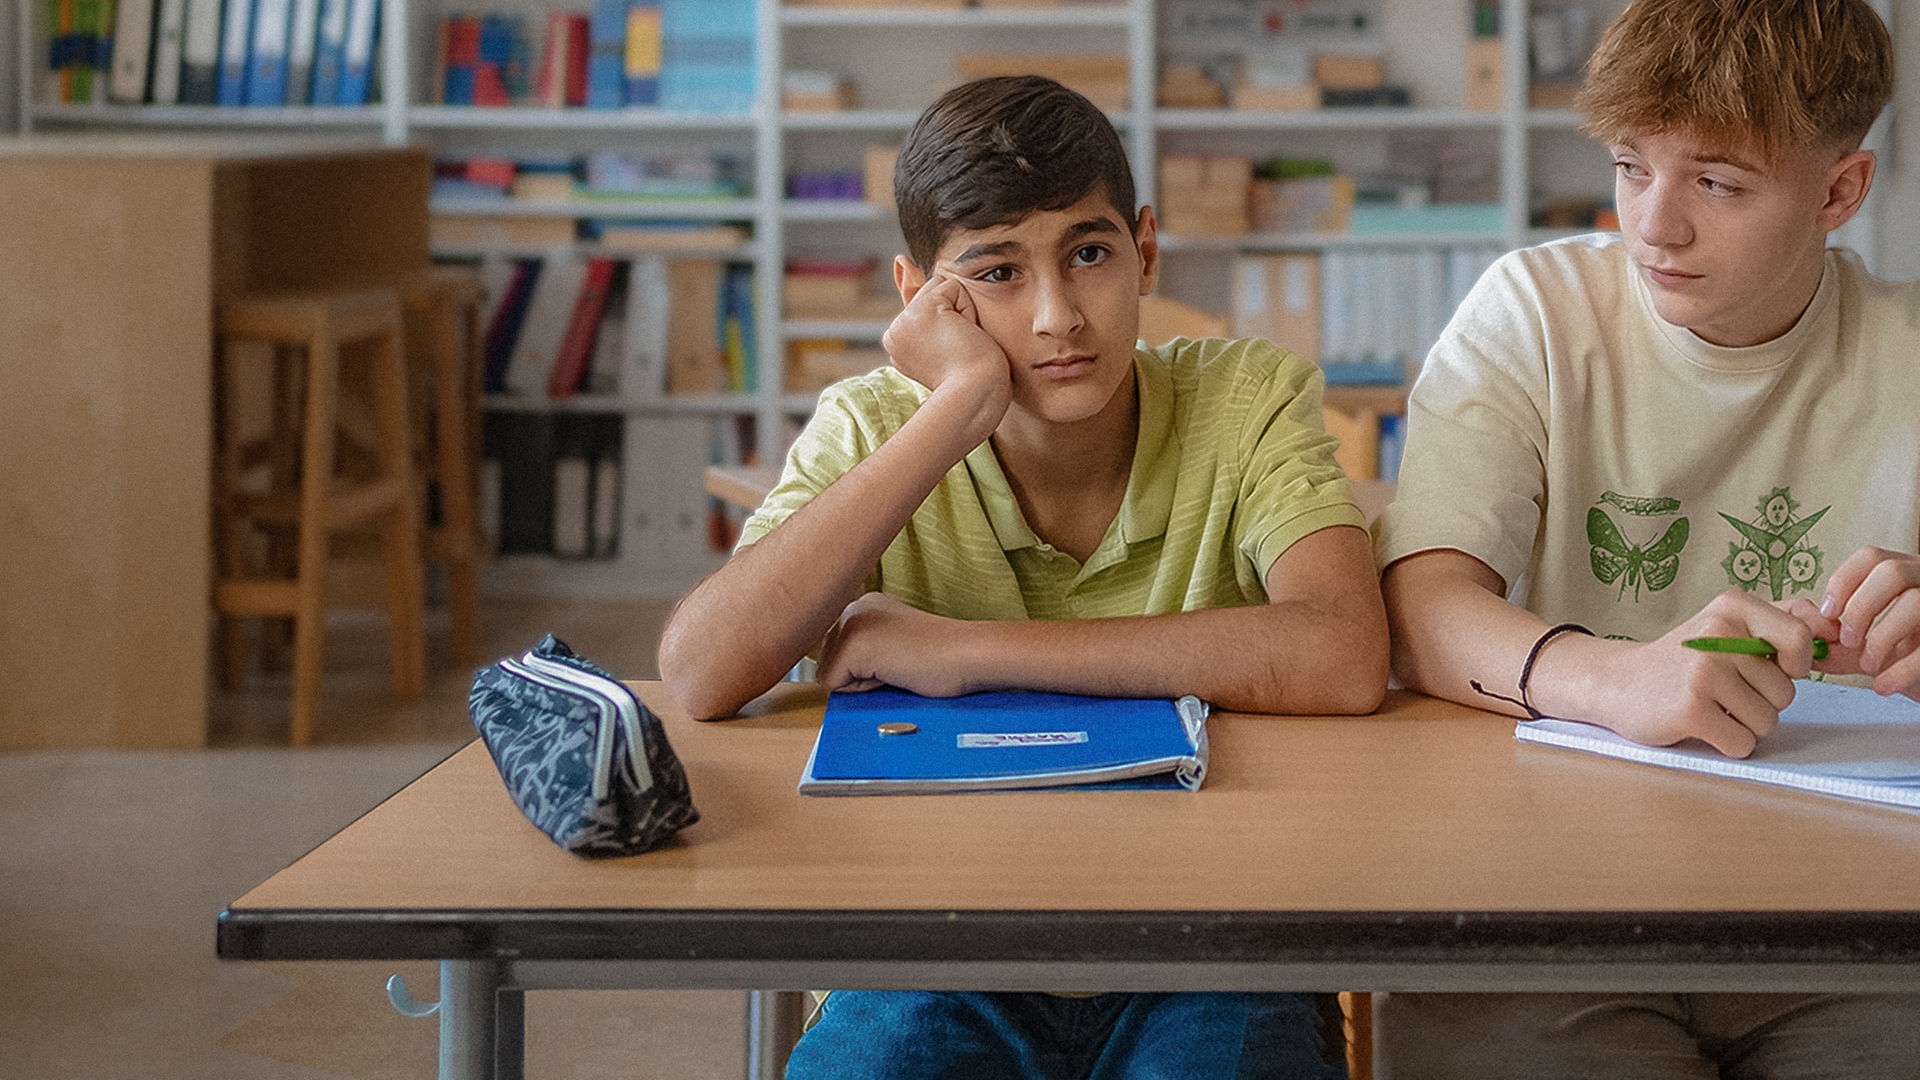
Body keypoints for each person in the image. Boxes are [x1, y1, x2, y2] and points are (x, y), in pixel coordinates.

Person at [658, 75, 1386, 1078]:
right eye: (996, 275)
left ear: (1146, 249)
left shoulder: (1247, 397)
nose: (1056, 317)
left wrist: (966, 653)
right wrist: (955, 406)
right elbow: (700, 670)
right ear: (922, 300)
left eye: (1088, 254)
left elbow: (1344, 652)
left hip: (1213, 937)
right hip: (925, 942)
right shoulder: (875, 422)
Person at [1371, 0, 1920, 1075]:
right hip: (1549, 898)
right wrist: (1611, 679)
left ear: (1840, 192)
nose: (1653, 226)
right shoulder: (1531, 312)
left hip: (1858, 913)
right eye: (1632, 167)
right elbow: (1417, 607)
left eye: (1717, 183)